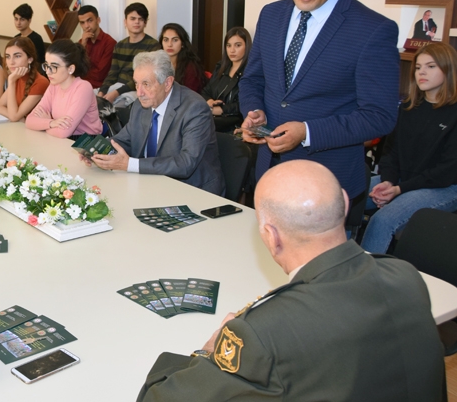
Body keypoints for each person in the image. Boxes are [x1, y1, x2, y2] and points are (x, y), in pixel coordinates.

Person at [136, 160, 444, 401]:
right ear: (346, 204)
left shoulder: (262, 331)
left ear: (270, 236)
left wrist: (208, 350)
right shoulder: (406, 276)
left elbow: (159, 398)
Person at [239, 0, 399, 202]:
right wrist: (254, 111)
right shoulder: (271, 15)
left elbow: (379, 116)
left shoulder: (373, 29)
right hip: (269, 173)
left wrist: (307, 132)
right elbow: (253, 79)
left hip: (327, 183)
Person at [361, 43, 457, 254]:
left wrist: (398, 190)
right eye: (418, 67)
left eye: (431, 66)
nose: (421, 72)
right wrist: (388, 181)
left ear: (448, 69)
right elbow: (390, 153)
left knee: (383, 221)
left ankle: (365, 283)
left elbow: (446, 172)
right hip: (402, 180)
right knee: (342, 199)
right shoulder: (407, 107)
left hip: (444, 187)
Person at [85, 50, 225, 195]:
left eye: (146, 84)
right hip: (150, 184)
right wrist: (94, 150)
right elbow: (125, 140)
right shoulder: (141, 104)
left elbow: (185, 164)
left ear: (167, 83)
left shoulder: (194, 108)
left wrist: (129, 164)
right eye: (136, 84)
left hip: (192, 191)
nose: (139, 93)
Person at [26, 40, 103, 138]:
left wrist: (44, 123)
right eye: (46, 65)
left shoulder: (83, 87)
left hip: (86, 143)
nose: (48, 72)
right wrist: (51, 122)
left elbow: (63, 133)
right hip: (61, 139)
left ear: (70, 69)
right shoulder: (54, 85)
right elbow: (29, 121)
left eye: (54, 67)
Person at [98, 2, 161, 108]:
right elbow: (112, 74)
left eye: (140, 19)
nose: (137, 22)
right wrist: (101, 93)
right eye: (132, 18)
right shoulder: (119, 45)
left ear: (145, 23)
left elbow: (146, 78)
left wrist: (116, 93)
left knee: (117, 107)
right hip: (117, 87)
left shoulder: (153, 46)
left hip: (137, 89)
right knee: (89, 99)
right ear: (125, 22)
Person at [201, 27, 252, 132]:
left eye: (238, 45)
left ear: (247, 47)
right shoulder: (221, 67)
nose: (232, 50)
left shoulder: (251, 72)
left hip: (236, 126)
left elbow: (247, 102)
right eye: (228, 45)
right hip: (214, 123)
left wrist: (221, 110)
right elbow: (206, 91)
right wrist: (209, 101)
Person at [0, 37, 49, 121]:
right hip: (20, 128)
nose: (11, 62)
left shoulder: (40, 82)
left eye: (17, 56)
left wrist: (11, 82)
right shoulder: (17, 77)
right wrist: (20, 118)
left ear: (30, 59)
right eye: (8, 57)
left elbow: (14, 117)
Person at [159, 23, 207, 93]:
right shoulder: (158, 63)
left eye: (175, 40)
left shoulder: (191, 67)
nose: (169, 44)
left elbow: (189, 95)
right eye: (166, 40)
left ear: (183, 44)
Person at [77, 5, 116, 90]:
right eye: (82, 23)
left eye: (89, 20)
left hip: (98, 87)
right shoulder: (81, 42)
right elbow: (74, 67)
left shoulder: (110, 43)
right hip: (80, 85)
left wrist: (81, 73)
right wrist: (82, 46)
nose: (86, 26)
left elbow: (100, 75)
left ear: (98, 20)